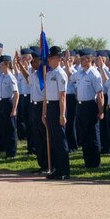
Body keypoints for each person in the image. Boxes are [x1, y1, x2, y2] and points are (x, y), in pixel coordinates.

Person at [43, 46, 70, 180]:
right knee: (53, 140)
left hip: (58, 106)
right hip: (50, 106)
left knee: (60, 140)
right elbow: (47, 95)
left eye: (51, 58)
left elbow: (63, 96)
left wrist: (62, 114)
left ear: (58, 59)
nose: (48, 60)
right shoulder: (49, 74)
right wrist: (44, 112)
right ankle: (57, 168)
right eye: (49, 57)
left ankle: (64, 170)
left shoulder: (60, 74)